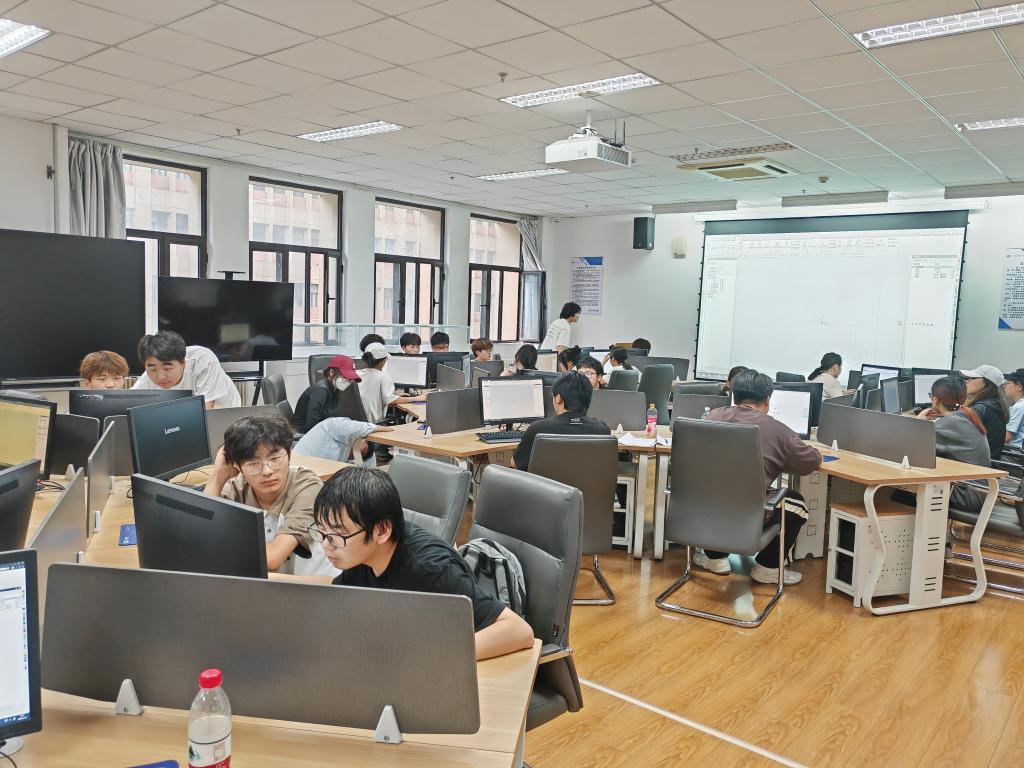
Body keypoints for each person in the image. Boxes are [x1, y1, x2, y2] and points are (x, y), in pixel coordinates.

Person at [312, 466, 535, 660]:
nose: (326, 545)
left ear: (381, 530)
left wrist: (429, 656)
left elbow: (518, 631)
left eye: (337, 535)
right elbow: (338, 602)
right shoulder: (360, 555)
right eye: (322, 532)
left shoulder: (432, 570)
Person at [701, 370, 822, 585]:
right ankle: (768, 569)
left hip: (706, 508)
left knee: (720, 492)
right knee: (798, 505)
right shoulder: (778, 430)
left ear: (734, 395)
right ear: (767, 400)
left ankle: (715, 559)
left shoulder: (712, 417)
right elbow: (809, 463)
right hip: (748, 514)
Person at [204, 413, 328, 574]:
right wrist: (217, 477)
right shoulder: (237, 487)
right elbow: (200, 535)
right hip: (262, 583)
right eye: (253, 463)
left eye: (275, 458)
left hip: (310, 583)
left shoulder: (307, 485)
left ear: (289, 455)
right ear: (237, 466)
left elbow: (272, 559)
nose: (267, 471)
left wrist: (216, 552)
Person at [916, 375, 990, 513]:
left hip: (967, 496)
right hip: (979, 491)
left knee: (900, 491)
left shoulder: (950, 423)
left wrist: (918, 421)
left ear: (935, 399)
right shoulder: (965, 415)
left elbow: (911, 446)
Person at [513, 371, 611, 471]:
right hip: (587, 481)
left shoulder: (538, 429)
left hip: (548, 482)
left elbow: (516, 464)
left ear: (558, 398)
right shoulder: (602, 430)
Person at [132, 331, 240, 409]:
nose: (160, 376)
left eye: (167, 368)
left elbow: (207, 407)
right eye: (152, 369)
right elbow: (129, 402)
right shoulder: (148, 376)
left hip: (225, 411)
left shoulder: (202, 360)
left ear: (183, 363)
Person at [293, 355, 362, 433]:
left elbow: (332, 418)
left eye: (351, 379)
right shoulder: (321, 391)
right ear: (331, 372)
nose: (349, 382)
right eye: (346, 377)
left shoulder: (335, 389)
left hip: (320, 431)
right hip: (304, 434)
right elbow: (312, 425)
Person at [294, 417, 393, 464]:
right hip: (297, 466)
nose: (357, 453)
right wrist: (376, 427)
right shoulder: (334, 426)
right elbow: (353, 427)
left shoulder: (343, 456)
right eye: (363, 450)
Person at [359, 343, 416, 423]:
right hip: (374, 423)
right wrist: (416, 398)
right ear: (384, 361)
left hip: (357, 422)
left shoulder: (357, 374)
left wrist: (393, 395)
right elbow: (391, 401)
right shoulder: (383, 376)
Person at [960, 364, 1008, 459]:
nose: (967, 381)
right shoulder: (994, 403)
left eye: (973, 378)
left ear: (986, 382)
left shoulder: (980, 408)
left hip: (975, 463)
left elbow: (958, 437)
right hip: (987, 461)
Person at [1004, 369, 1024, 451]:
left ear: (1019, 387)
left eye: (1008, 383)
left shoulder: (1019, 407)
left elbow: (1006, 437)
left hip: (1013, 453)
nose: (1004, 386)